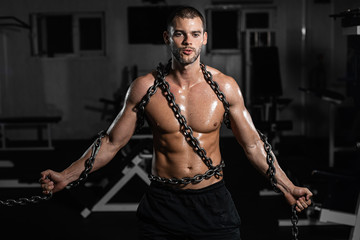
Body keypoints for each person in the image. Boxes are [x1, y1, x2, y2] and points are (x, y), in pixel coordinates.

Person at [40, 6, 312, 239]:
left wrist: (288, 187)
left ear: (204, 38)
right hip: (163, 202)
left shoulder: (225, 88)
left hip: (212, 202)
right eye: (179, 34)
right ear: (167, 37)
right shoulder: (144, 87)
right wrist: (66, 175)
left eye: (194, 34)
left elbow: (253, 144)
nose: (187, 42)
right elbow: (112, 142)